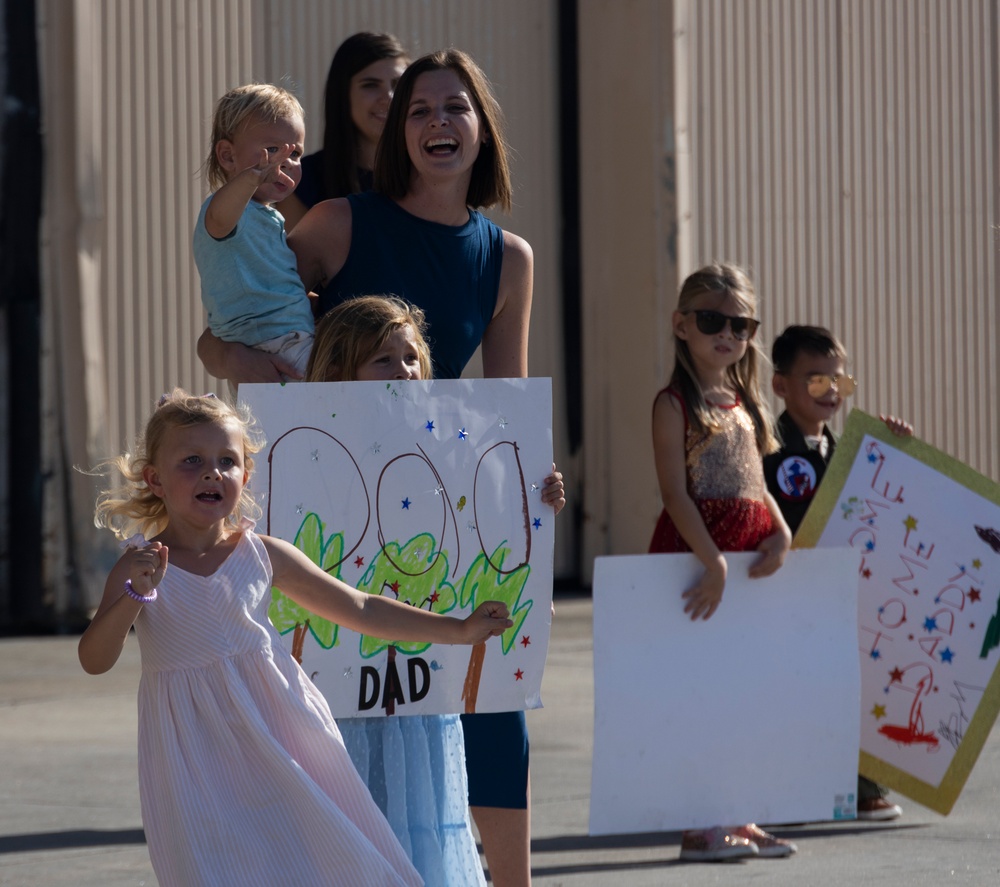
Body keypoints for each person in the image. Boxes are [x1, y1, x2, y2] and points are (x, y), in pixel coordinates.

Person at [199, 49, 561, 886]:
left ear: (483, 129)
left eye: (455, 108)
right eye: (420, 110)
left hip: (446, 502)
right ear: (398, 132)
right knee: (336, 705)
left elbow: (502, 398)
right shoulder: (339, 221)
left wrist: (533, 481)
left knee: (491, 698)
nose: (438, 123)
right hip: (332, 498)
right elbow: (235, 309)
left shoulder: (510, 256)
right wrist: (219, 350)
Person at [78, 389, 513, 887]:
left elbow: (360, 606)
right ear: (154, 478)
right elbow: (95, 658)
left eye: (227, 460)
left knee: (327, 854)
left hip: (280, 732)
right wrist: (136, 592)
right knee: (210, 867)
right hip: (191, 755)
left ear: (246, 475)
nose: (212, 472)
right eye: (192, 460)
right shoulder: (140, 564)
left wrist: (457, 630)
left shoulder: (262, 553)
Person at [305, 295, 484, 886]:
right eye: (383, 359)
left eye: (412, 357)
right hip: (340, 689)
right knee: (355, 824)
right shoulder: (308, 452)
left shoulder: (448, 446)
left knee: (422, 819)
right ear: (337, 372)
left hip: (419, 688)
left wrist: (537, 497)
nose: (404, 371)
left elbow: (483, 529)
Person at [649, 262, 796, 862]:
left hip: (743, 556)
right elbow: (674, 494)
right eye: (712, 320)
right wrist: (712, 564)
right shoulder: (672, 404)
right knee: (698, 695)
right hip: (698, 557)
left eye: (741, 323)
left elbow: (757, 485)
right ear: (682, 325)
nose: (728, 334)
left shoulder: (745, 404)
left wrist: (782, 533)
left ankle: (739, 812)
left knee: (744, 692)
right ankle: (698, 822)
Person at [764, 324, 912, 822]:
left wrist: (891, 453)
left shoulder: (851, 453)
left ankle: (861, 782)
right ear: (780, 385)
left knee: (854, 689)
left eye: (840, 382)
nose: (831, 393)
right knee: (791, 694)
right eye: (816, 381)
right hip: (784, 597)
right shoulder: (765, 449)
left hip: (845, 598)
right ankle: (788, 785)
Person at [193, 84, 314, 387]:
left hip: (286, 338)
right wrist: (252, 177)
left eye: (295, 152)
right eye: (272, 150)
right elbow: (219, 220)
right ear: (228, 156)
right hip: (267, 343)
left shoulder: (267, 215)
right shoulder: (230, 210)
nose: (285, 161)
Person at [276, 31, 409, 231]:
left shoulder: (425, 175)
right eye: (370, 85)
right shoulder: (302, 180)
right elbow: (287, 260)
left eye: (398, 84)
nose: (388, 97)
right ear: (342, 95)